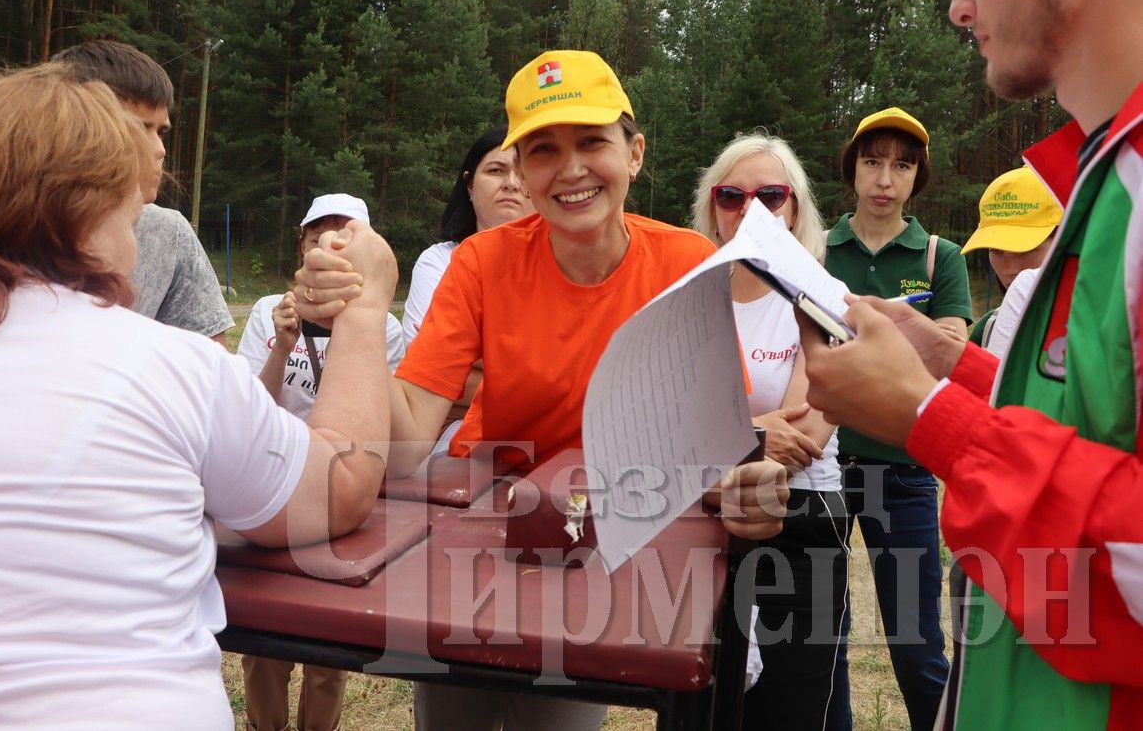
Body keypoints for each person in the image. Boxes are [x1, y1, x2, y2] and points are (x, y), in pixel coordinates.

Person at [0, 64, 395, 728]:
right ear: (90, 217)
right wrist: (364, 312)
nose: (135, 244)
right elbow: (339, 485)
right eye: (132, 219)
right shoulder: (168, 366)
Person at [294, 49, 789, 730]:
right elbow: (406, 441)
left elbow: (720, 446)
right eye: (543, 150)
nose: (572, 169)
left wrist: (747, 488)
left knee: (555, 715)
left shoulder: (684, 263)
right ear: (522, 173)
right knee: (452, 707)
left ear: (634, 153)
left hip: (605, 532)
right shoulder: (479, 263)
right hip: (479, 522)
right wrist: (358, 311)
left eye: (592, 142)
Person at [799, 0, 1143, 728]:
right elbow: (1097, 433)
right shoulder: (1104, 176)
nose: (957, 7)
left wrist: (927, 418)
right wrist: (949, 370)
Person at [693, 132, 849, 731]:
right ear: (713, 208)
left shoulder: (823, 294)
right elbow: (681, 423)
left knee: (786, 711)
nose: (750, 209)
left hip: (802, 519)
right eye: (732, 195)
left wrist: (724, 434)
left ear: (796, 209)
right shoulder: (693, 296)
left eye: (771, 195)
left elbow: (802, 436)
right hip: (706, 515)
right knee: (703, 707)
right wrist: (757, 429)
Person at [823, 105, 972, 731]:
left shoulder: (941, 257)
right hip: (824, 464)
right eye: (873, 161)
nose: (886, 178)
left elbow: (953, 355)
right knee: (821, 642)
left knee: (916, 645)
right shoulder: (817, 246)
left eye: (902, 165)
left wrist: (866, 335)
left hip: (907, 468)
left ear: (918, 178)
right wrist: (904, 334)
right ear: (853, 169)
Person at [235, 192, 406, 731]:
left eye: (344, 231)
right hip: (277, 483)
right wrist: (282, 347)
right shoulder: (268, 310)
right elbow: (249, 409)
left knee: (330, 643)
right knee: (264, 640)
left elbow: (388, 430)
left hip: (347, 494)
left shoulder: (388, 328)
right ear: (302, 243)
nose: (328, 239)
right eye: (317, 231)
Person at [52, 40, 233, 345]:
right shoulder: (11, 227)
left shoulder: (168, 234)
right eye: (138, 128)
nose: (160, 149)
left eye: (161, 131)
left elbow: (210, 373)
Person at [401, 125, 534, 454]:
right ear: (469, 184)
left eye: (524, 172)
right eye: (495, 170)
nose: (511, 183)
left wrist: (477, 356)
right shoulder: (438, 263)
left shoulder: (566, 261)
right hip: (453, 428)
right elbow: (430, 380)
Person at [961, 166, 1062, 357]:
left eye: (1024, 248)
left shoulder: (1111, 325)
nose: (1009, 269)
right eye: (996, 250)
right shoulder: (988, 329)